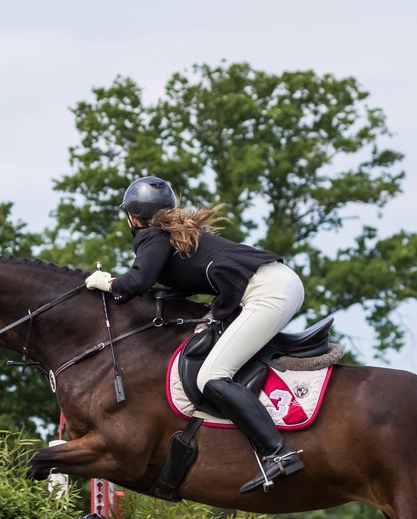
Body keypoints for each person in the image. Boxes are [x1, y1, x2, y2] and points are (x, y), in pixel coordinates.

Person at [85, 176, 306, 493]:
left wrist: (103, 282)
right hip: (276, 283)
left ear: (132, 216)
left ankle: (279, 453)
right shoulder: (172, 234)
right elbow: (176, 286)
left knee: (212, 376)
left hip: (268, 293)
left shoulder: (152, 235)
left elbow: (137, 282)